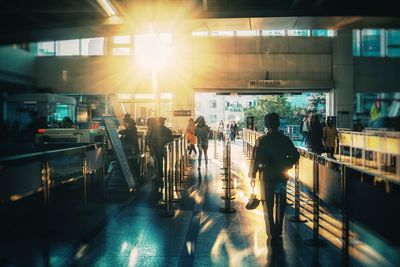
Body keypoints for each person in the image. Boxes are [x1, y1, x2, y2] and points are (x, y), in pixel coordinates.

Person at [250, 112, 300, 243]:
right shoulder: (285, 140)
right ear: (278, 124)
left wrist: (253, 174)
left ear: (267, 125)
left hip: (266, 177)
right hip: (281, 176)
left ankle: (271, 232)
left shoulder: (262, 140)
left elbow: (255, 159)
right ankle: (279, 230)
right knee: (280, 203)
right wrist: (287, 166)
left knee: (268, 204)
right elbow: (296, 155)